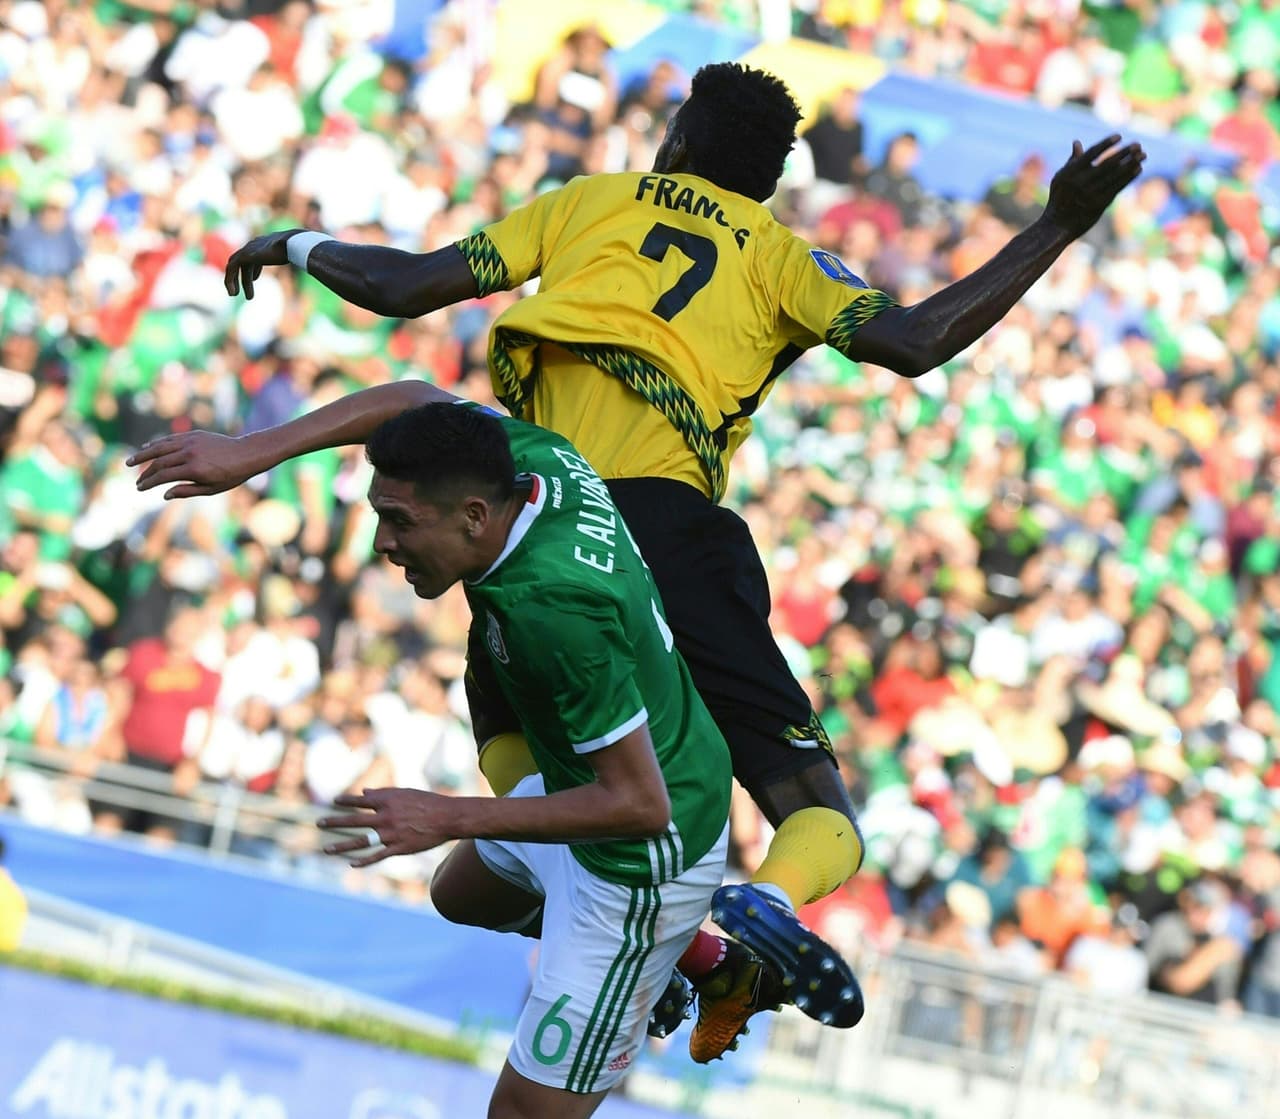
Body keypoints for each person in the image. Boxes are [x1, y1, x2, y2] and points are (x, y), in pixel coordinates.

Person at [131, 61, 1145, 1051]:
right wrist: (1057, 223)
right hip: (668, 531)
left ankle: (672, 952)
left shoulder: (588, 204)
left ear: (673, 141)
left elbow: (402, 288)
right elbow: (917, 340)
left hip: (535, 530)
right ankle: (756, 912)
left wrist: (294, 243)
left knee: (503, 836)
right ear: (768, 179)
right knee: (812, 806)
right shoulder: (782, 257)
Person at [307, 399, 733, 1118]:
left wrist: (444, 812)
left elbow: (639, 804)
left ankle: (654, 955)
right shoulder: (533, 457)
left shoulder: (553, 611)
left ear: (475, 516)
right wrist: (250, 452)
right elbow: (414, 397)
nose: (384, 542)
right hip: (609, 778)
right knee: (461, 894)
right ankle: (701, 960)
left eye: (402, 522)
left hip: (639, 862)